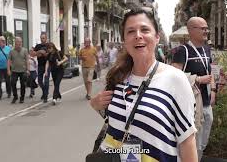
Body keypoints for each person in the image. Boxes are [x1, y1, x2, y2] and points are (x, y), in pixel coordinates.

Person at [90, 8, 197, 161]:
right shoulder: (118, 75)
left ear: (157, 37)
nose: (138, 35)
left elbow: (187, 141)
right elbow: (119, 117)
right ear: (125, 40)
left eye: (144, 30)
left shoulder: (175, 79)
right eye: (131, 31)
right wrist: (95, 105)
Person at [171, 16, 216, 161]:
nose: (206, 31)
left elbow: (210, 71)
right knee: (192, 142)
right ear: (191, 30)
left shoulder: (207, 49)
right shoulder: (182, 51)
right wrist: (197, 79)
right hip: (191, 105)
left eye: (206, 28)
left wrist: (213, 89)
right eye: (202, 28)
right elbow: (173, 76)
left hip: (207, 102)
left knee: (203, 142)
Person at [7, 37, 29, 104]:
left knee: (23, 84)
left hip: (23, 70)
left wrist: (28, 69)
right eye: (17, 43)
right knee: (12, 83)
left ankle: (22, 98)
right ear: (15, 43)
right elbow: (9, 61)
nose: (19, 44)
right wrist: (8, 70)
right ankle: (15, 96)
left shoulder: (25, 50)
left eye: (20, 43)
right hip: (14, 70)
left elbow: (27, 60)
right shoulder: (11, 51)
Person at [34, 33, 50, 102]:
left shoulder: (49, 45)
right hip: (40, 65)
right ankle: (45, 91)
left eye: (43, 38)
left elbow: (48, 55)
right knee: (40, 81)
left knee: (46, 81)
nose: (42, 39)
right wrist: (40, 51)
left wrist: (43, 54)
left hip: (47, 65)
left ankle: (45, 96)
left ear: (46, 38)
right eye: (41, 38)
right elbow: (34, 54)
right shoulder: (38, 46)